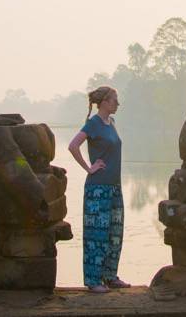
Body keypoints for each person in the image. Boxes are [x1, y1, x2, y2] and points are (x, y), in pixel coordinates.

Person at [68, 85, 131, 293]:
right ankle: (94, 281)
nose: (118, 104)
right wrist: (89, 167)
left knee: (114, 233)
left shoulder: (111, 123)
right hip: (97, 189)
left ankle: (110, 276)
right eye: (114, 100)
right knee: (97, 235)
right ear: (104, 102)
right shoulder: (93, 123)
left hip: (114, 187)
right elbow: (73, 145)